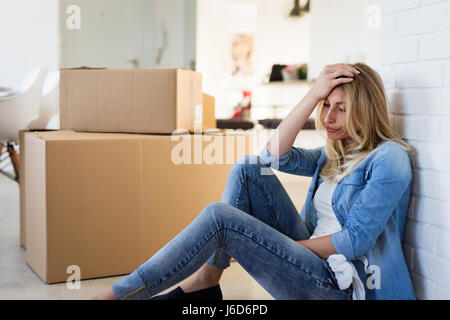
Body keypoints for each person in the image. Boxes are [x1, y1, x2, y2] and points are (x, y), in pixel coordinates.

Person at [93, 63, 416, 300]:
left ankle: (120, 295)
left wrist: (284, 249)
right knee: (249, 167)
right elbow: (274, 156)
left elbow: (355, 241)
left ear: (365, 110)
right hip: (310, 263)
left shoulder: (390, 159)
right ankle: (208, 277)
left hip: (339, 284)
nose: (328, 118)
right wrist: (311, 95)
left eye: (341, 109)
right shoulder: (334, 153)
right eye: (325, 106)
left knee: (221, 218)